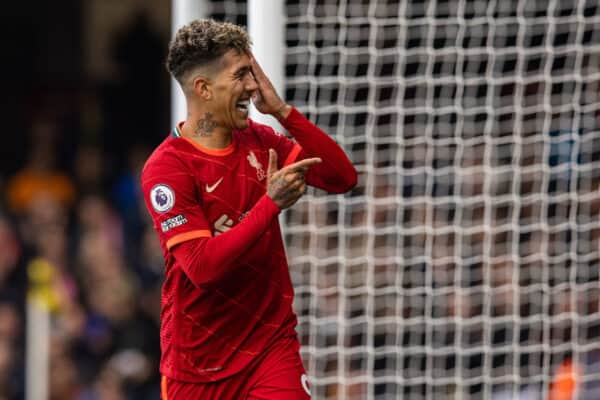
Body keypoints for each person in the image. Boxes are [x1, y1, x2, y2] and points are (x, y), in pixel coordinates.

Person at [141, 19, 357, 399]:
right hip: (198, 366)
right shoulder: (168, 167)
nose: (253, 86)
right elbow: (203, 267)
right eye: (241, 75)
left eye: (252, 73)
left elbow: (341, 177)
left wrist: (282, 112)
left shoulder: (260, 140)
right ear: (203, 88)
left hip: (270, 347)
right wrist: (269, 204)